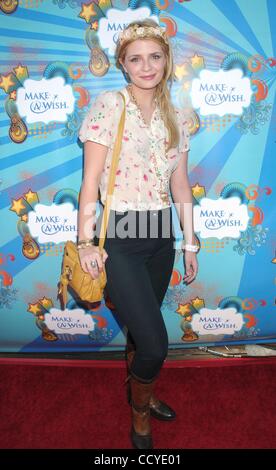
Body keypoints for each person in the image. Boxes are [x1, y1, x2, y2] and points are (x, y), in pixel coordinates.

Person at [77, 18, 199, 449]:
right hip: (121, 238)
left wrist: (189, 241)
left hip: (161, 235)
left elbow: (180, 183)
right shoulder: (111, 104)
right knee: (154, 345)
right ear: (123, 65)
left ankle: (139, 388)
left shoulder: (178, 113)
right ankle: (140, 412)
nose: (146, 66)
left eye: (155, 56)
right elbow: (90, 181)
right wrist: (85, 241)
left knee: (139, 332)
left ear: (166, 60)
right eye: (136, 59)